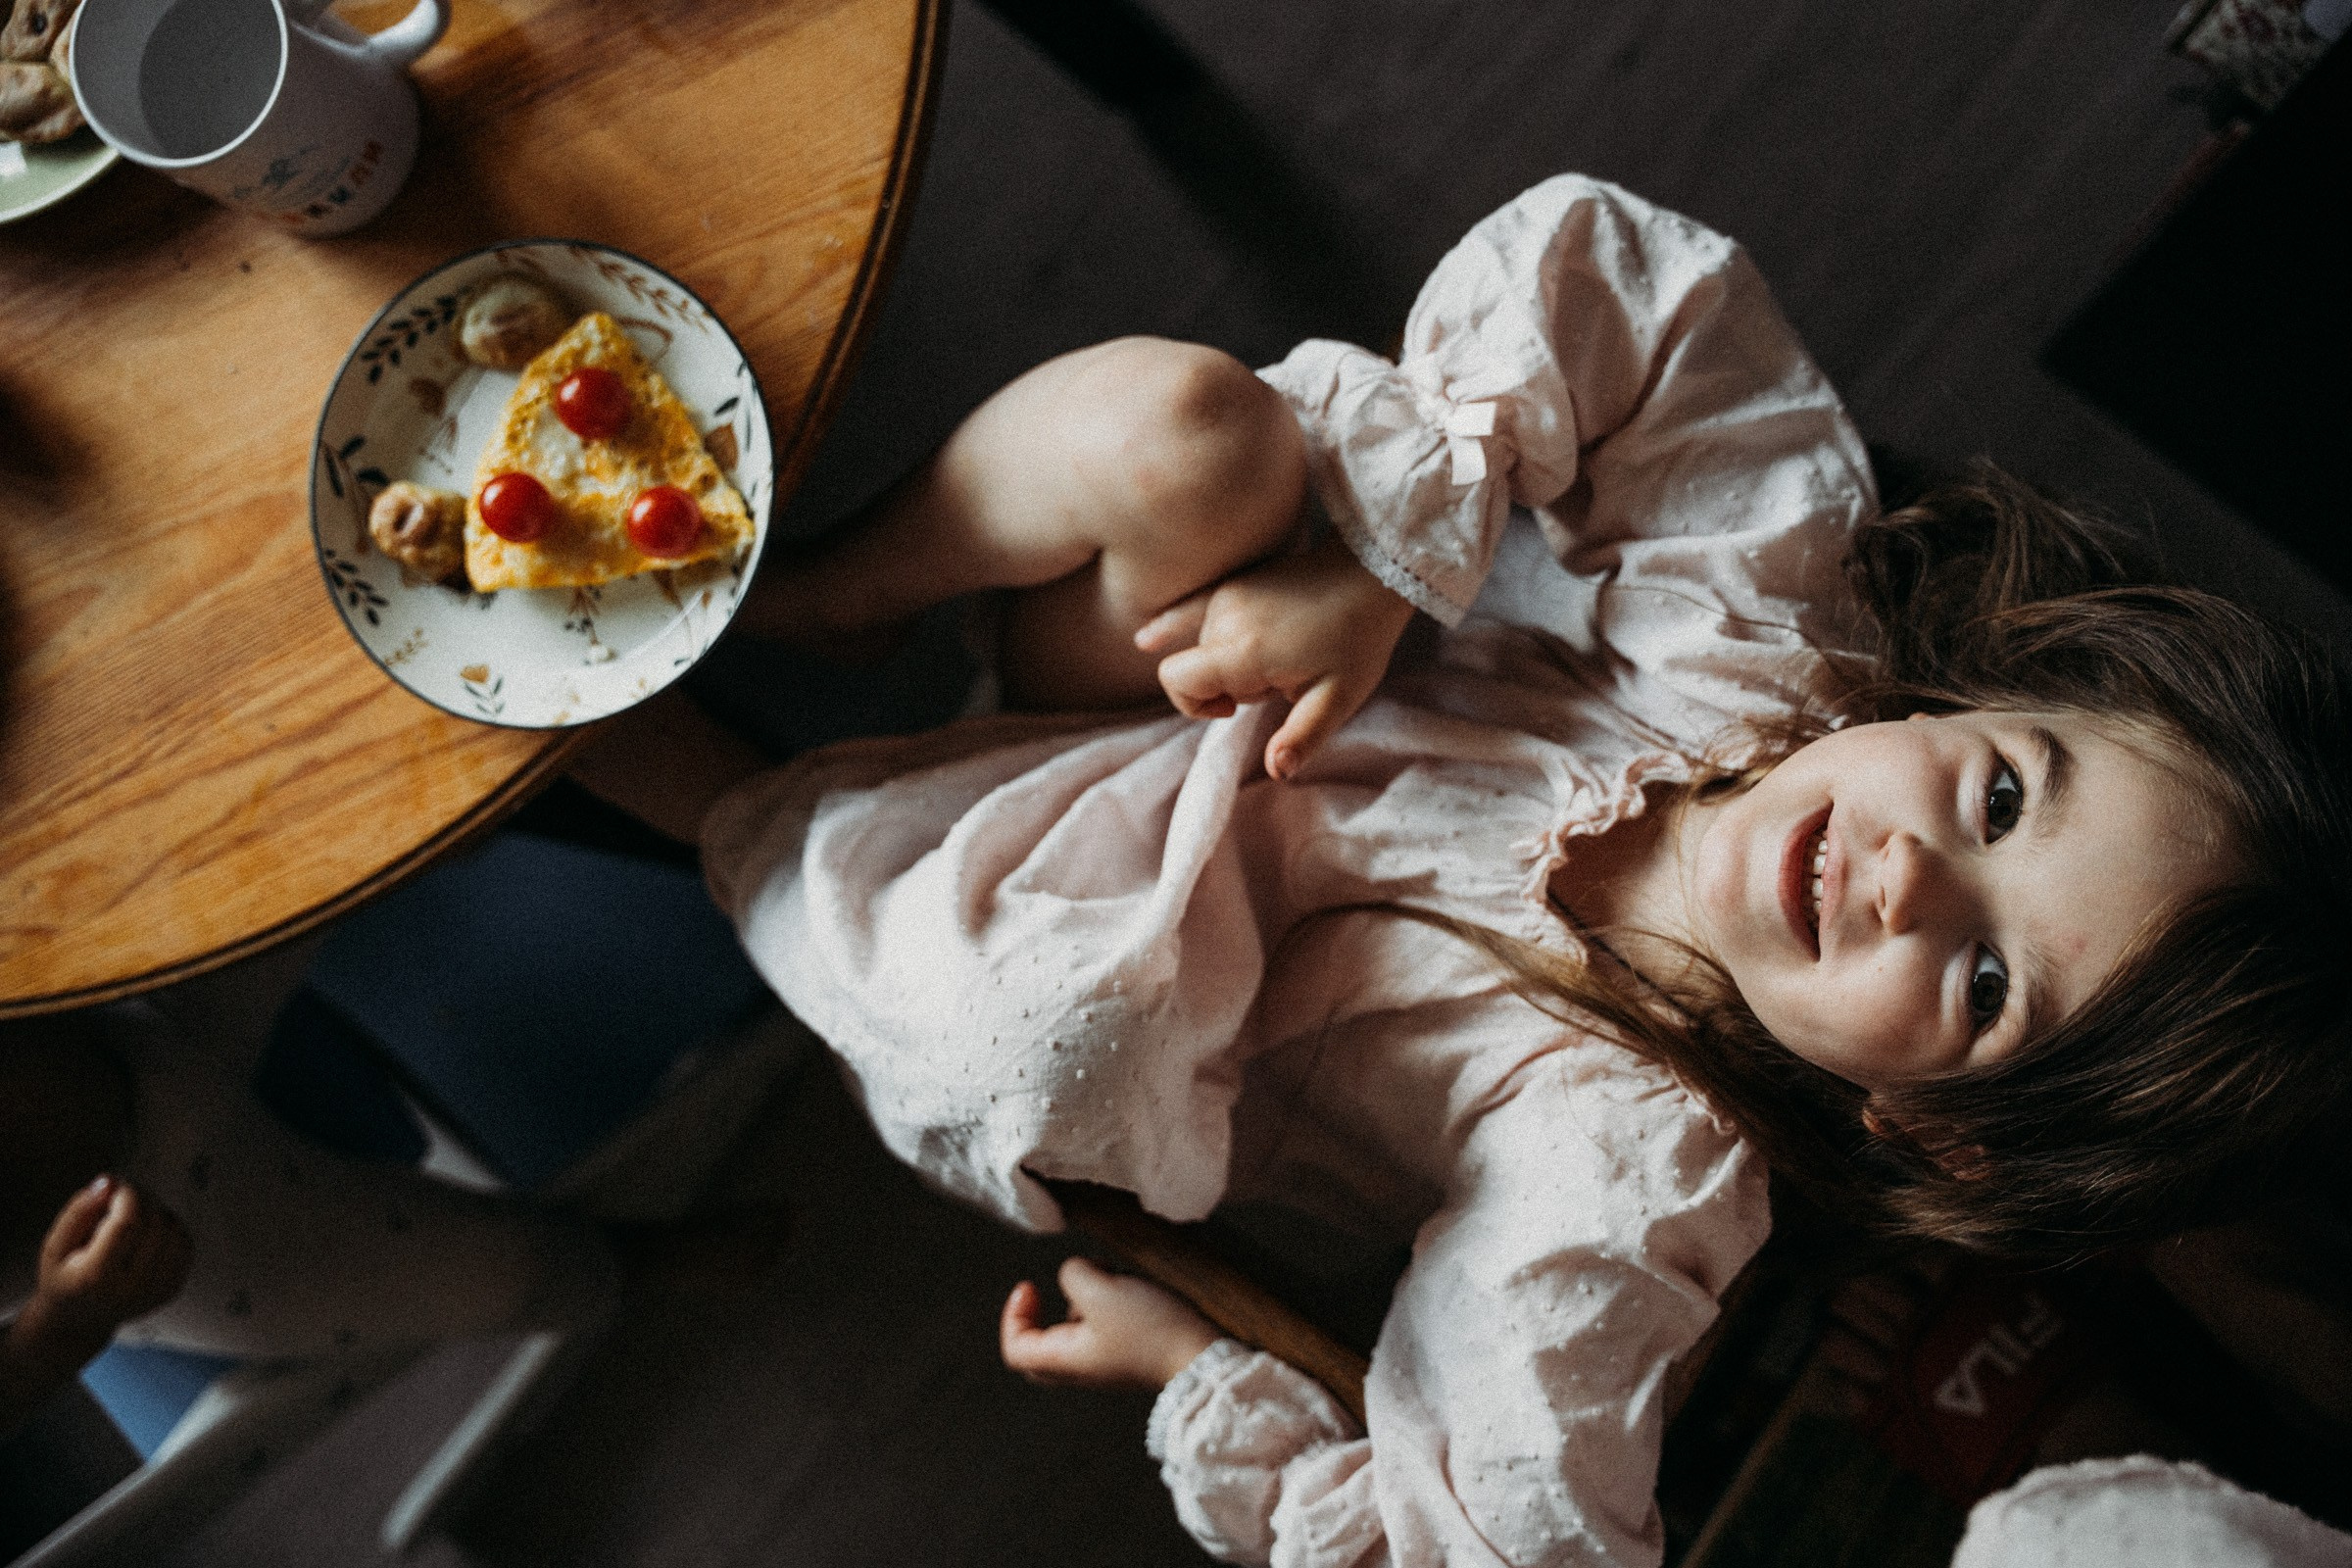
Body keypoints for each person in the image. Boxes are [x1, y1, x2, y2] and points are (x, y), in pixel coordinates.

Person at [574, 173, 2352, 1567]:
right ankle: (828, 592)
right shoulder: (1779, 629)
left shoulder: (1625, 1184)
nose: (1908, 880)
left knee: (1055, 1045)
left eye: (1982, 986)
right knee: (1191, 434)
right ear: (1993, 695)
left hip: (1040, 909)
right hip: (1146, 665)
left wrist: (1211, 1388)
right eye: (2000, 800)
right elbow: (1635, 286)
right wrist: (1394, 557)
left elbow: (1499, 1541)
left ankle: (739, 814)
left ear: (1933, 1131)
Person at [0, 950, 618, 1439]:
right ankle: (668, 1263)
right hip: (170, 1231)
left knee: (339, 802)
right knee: (523, 1276)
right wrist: (64, 1326)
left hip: (92, 974)